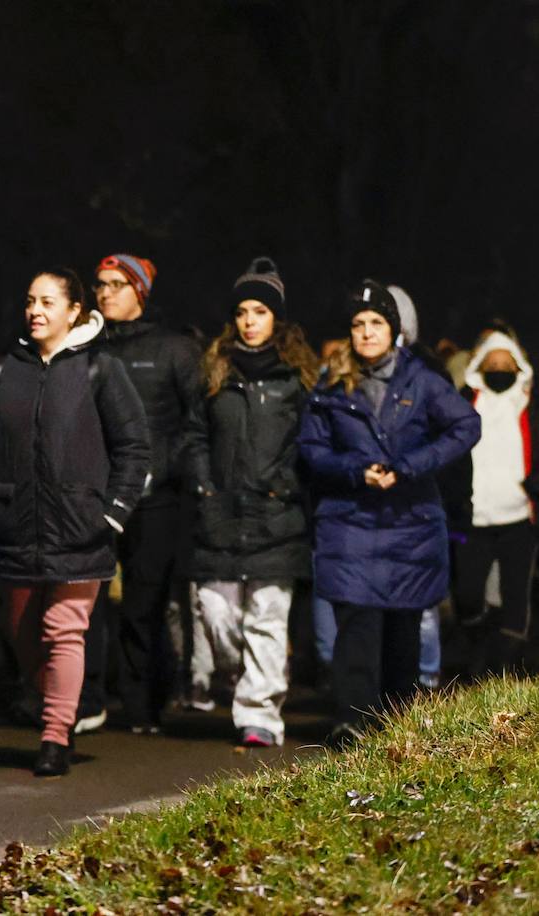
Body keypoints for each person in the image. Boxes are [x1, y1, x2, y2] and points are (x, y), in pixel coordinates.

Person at [0, 268, 148, 775]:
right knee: (22, 631)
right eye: (30, 301)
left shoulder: (100, 368)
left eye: (48, 301)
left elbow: (134, 447)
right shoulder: (2, 370)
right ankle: (56, 707)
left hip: (81, 525)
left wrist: (113, 513)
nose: (35, 310)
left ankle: (55, 735)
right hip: (14, 525)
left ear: (74, 311)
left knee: (64, 631)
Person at [299, 280, 479, 746]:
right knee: (356, 624)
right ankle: (353, 721)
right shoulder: (330, 385)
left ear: (394, 330)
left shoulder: (423, 381)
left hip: (409, 524)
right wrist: (359, 471)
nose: (366, 332)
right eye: (358, 324)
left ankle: (396, 724)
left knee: (402, 628)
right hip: (351, 523)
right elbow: (313, 450)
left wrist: (411, 467)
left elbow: (465, 425)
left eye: (376, 323)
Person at [184, 258, 318, 747]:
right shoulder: (215, 369)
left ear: (275, 319)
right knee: (216, 613)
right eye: (242, 311)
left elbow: (311, 440)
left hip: (276, 511)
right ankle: (245, 677)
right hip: (220, 509)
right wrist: (203, 484)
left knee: (267, 615)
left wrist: (288, 483)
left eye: (259, 311)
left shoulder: (296, 378)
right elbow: (195, 434)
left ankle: (260, 713)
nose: (249, 320)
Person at [79, 253, 202, 734]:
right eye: (100, 283)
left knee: (144, 605)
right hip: (96, 496)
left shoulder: (175, 348)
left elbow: (195, 422)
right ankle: (90, 698)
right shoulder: (86, 346)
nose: (105, 292)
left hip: (156, 499)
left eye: (116, 284)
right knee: (85, 602)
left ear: (140, 292)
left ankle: (144, 703)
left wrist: (165, 469)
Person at [453, 331, 537, 674]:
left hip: (519, 517)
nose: (500, 369)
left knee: (516, 594)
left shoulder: (530, 404)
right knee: (468, 595)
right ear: (480, 366)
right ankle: (478, 641)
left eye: (506, 363)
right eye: (493, 363)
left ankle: (503, 667)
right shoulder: (464, 403)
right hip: (475, 518)